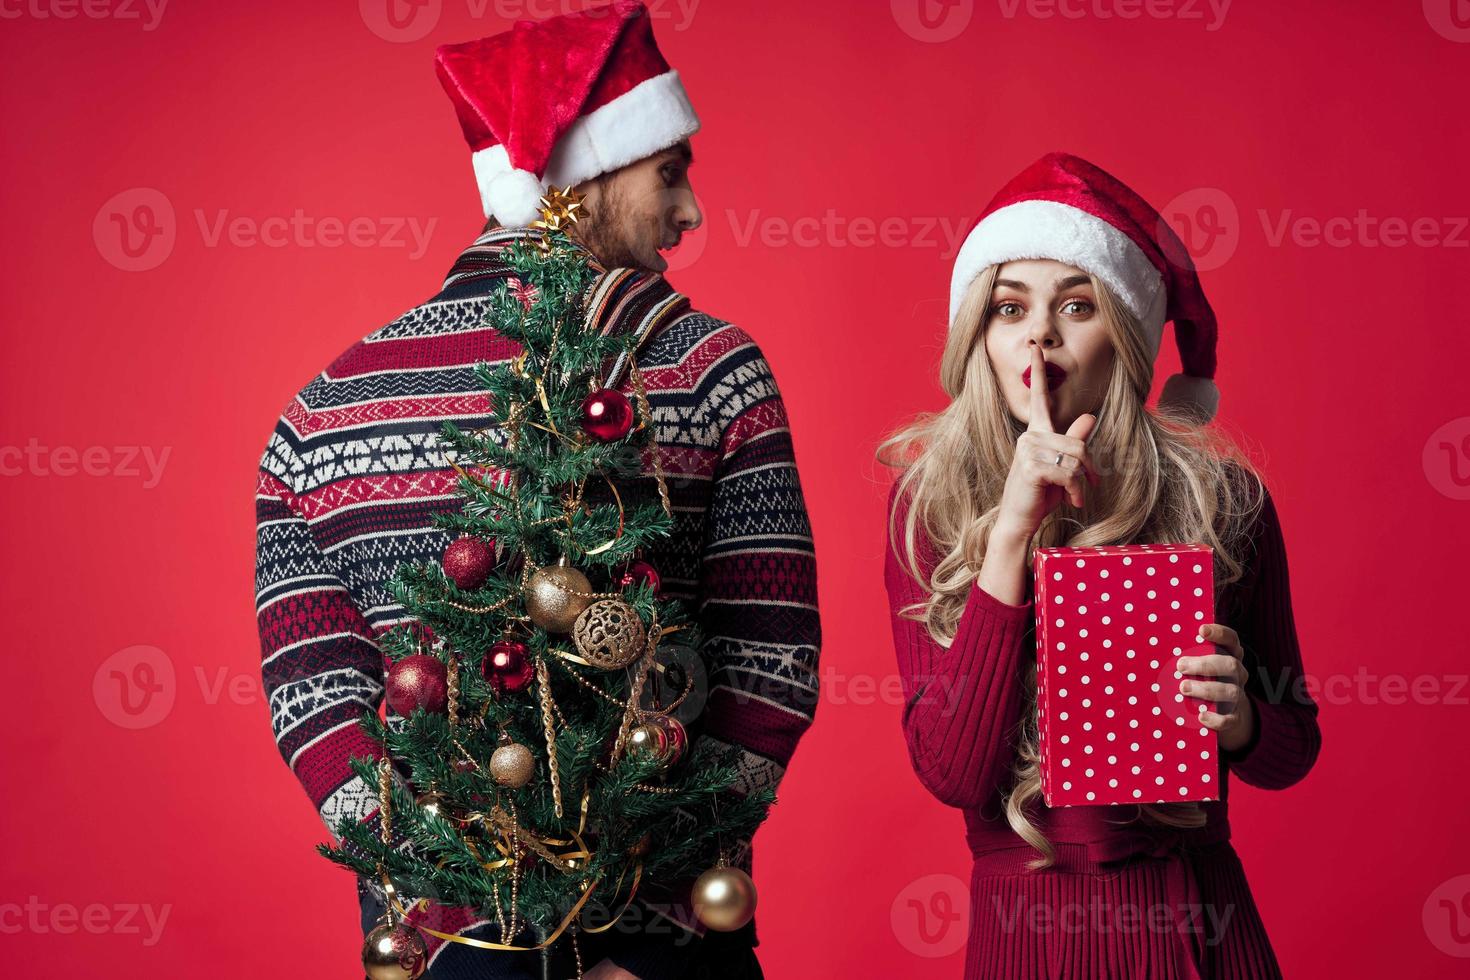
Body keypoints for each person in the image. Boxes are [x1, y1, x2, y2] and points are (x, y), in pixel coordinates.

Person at [253, 3, 820, 977]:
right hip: (673, 938)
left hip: (442, 942)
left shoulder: (320, 412)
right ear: (586, 175)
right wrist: (663, 905)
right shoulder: (710, 367)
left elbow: (314, 693)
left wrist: (437, 883)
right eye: (669, 172)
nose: (691, 215)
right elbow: (769, 661)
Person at [879, 152, 1321, 978]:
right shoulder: (929, 504)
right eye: (1011, 308)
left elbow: (1295, 749)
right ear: (982, 333)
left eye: (1075, 305)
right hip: (1027, 937)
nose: (1040, 332)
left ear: (1124, 334)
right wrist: (1010, 532)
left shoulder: (1224, 498)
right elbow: (951, 770)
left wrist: (1245, 720)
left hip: (1196, 928)